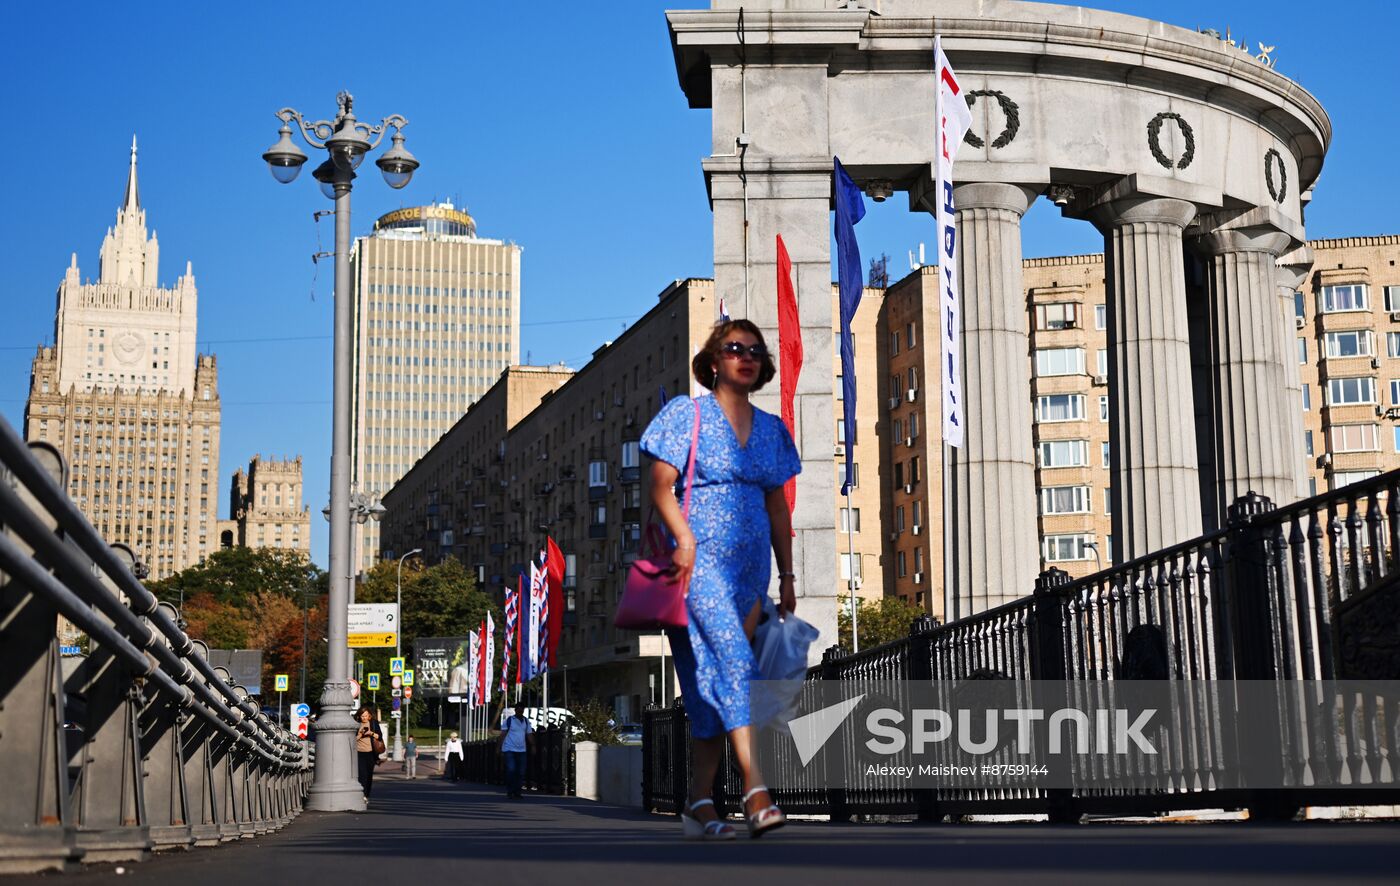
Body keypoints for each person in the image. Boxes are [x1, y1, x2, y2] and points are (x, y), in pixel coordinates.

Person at [640, 319, 800, 841]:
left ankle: (700, 803)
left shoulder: (773, 430)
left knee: (709, 694)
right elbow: (660, 487)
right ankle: (757, 790)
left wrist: (788, 573)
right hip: (695, 564)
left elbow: (777, 504)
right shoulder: (686, 415)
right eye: (734, 349)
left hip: (750, 571)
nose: (746, 357)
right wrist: (684, 540)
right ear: (713, 361)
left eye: (755, 351)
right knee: (736, 662)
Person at [499, 703, 534, 799]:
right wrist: (499, 748)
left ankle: (517, 791)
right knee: (511, 770)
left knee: (521, 772)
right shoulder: (509, 720)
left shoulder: (526, 721)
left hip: (522, 750)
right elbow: (502, 734)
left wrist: (533, 745)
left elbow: (529, 734)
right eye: (518, 710)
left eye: (522, 710)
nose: (520, 712)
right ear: (515, 710)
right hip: (509, 749)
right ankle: (510, 790)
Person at [354, 707, 385, 800]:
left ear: (369, 716)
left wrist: (370, 733)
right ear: (359, 716)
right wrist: (361, 735)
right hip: (359, 753)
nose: (364, 718)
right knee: (362, 774)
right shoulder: (356, 725)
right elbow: (353, 739)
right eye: (362, 716)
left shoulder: (373, 723)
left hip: (371, 753)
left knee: (369, 775)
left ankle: (367, 794)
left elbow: (379, 737)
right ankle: (362, 795)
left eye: (366, 716)